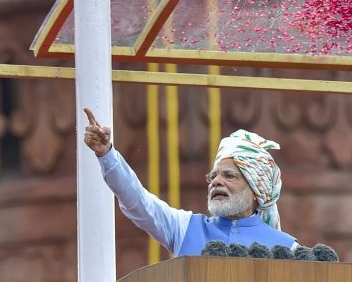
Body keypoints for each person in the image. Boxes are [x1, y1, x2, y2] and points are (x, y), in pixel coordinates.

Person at [83, 108, 298, 256]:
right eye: (213, 176)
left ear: (256, 189)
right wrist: (107, 155)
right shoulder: (186, 228)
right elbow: (138, 202)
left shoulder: (288, 249)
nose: (217, 182)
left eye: (229, 176)